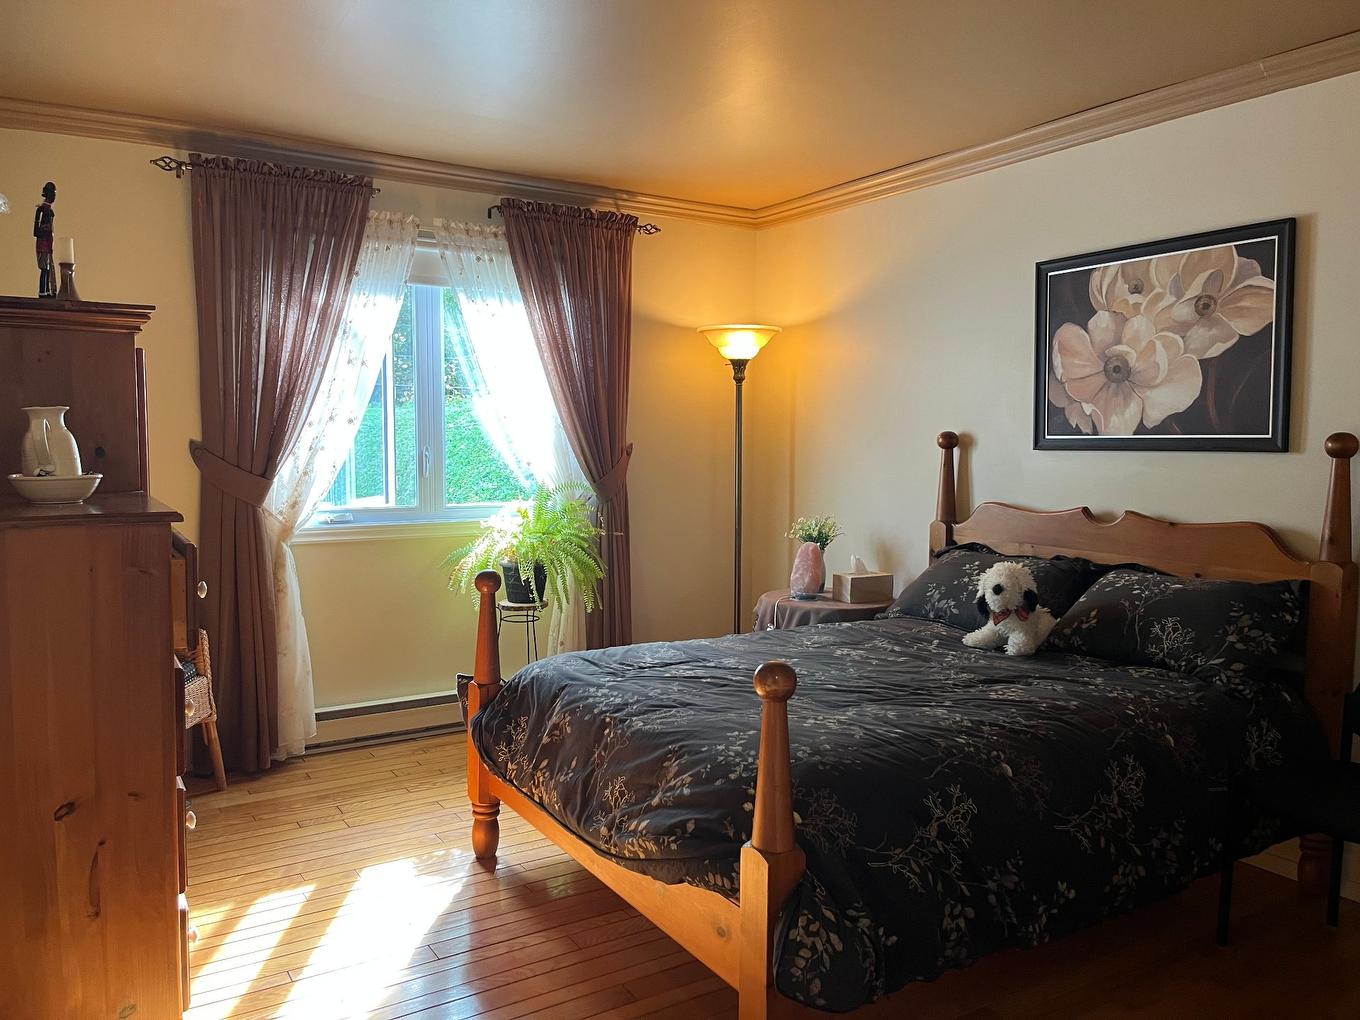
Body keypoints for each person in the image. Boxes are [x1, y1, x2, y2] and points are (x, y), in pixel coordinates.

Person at [34, 181, 56, 298]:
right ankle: (42, 291)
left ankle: (48, 290)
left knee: (48, 268)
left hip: (48, 243)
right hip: (43, 243)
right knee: (44, 267)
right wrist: (45, 229)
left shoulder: (50, 212)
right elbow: (36, 231)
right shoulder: (41, 210)